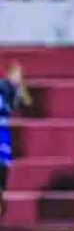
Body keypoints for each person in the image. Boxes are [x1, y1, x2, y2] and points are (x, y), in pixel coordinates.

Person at [0, 61, 33, 215]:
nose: (20, 77)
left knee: (4, 164)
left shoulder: (17, 88)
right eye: (18, 74)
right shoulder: (2, 86)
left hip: (4, 130)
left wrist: (21, 89)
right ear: (10, 74)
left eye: (21, 74)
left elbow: (28, 103)